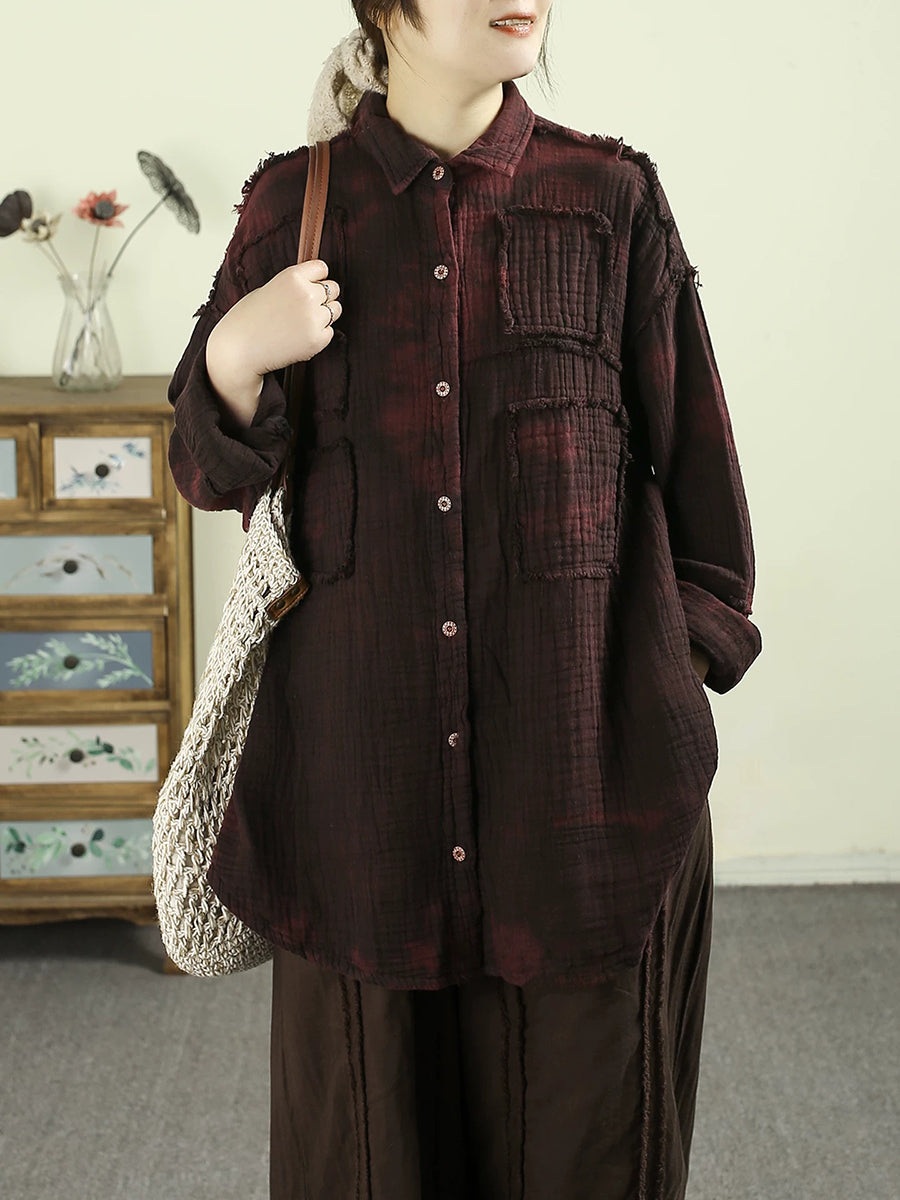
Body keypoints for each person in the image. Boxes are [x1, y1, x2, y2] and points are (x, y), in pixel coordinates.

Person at [166, 2, 763, 1196]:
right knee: (370, 1164)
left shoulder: (609, 200)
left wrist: (667, 682)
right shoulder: (291, 208)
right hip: (360, 827)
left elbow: (700, 484)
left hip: (583, 820)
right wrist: (234, 358)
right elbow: (206, 471)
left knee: (592, 1157)